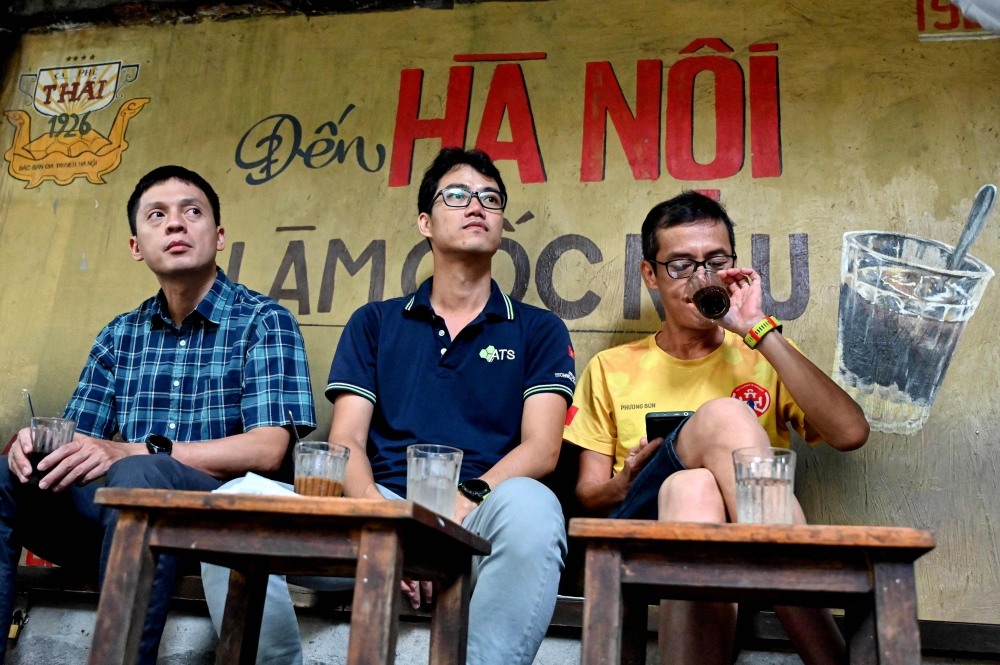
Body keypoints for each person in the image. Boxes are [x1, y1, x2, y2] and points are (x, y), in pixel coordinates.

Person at [223, 148, 575, 665]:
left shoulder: (539, 329)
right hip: (373, 515)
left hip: (475, 519)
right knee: (234, 499)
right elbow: (346, 442)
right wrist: (389, 521)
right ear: (425, 222)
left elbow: (542, 449)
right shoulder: (375, 322)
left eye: (490, 199)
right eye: (457, 195)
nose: (476, 205)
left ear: (502, 224)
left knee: (535, 507)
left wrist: (454, 512)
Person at [0, 165, 316, 664]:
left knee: (139, 470)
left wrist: (138, 451)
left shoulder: (263, 320)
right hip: (118, 526)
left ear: (219, 235)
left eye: (193, 212)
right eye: (158, 215)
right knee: (5, 474)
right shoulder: (119, 335)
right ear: (136, 246)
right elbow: (79, 443)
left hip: (216, 527)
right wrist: (36, 449)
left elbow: (271, 449)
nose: (176, 224)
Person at [563, 192, 870, 665]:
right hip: (640, 531)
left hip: (733, 535)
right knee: (726, 415)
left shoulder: (758, 350)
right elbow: (587, 495)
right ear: (651, 274)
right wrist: (624, 479)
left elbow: (850, 433)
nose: (700, 278)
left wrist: (759, 329)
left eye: (715, 261)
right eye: (680, 265)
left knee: (695, 487)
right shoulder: (611, 367)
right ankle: (830, 656)